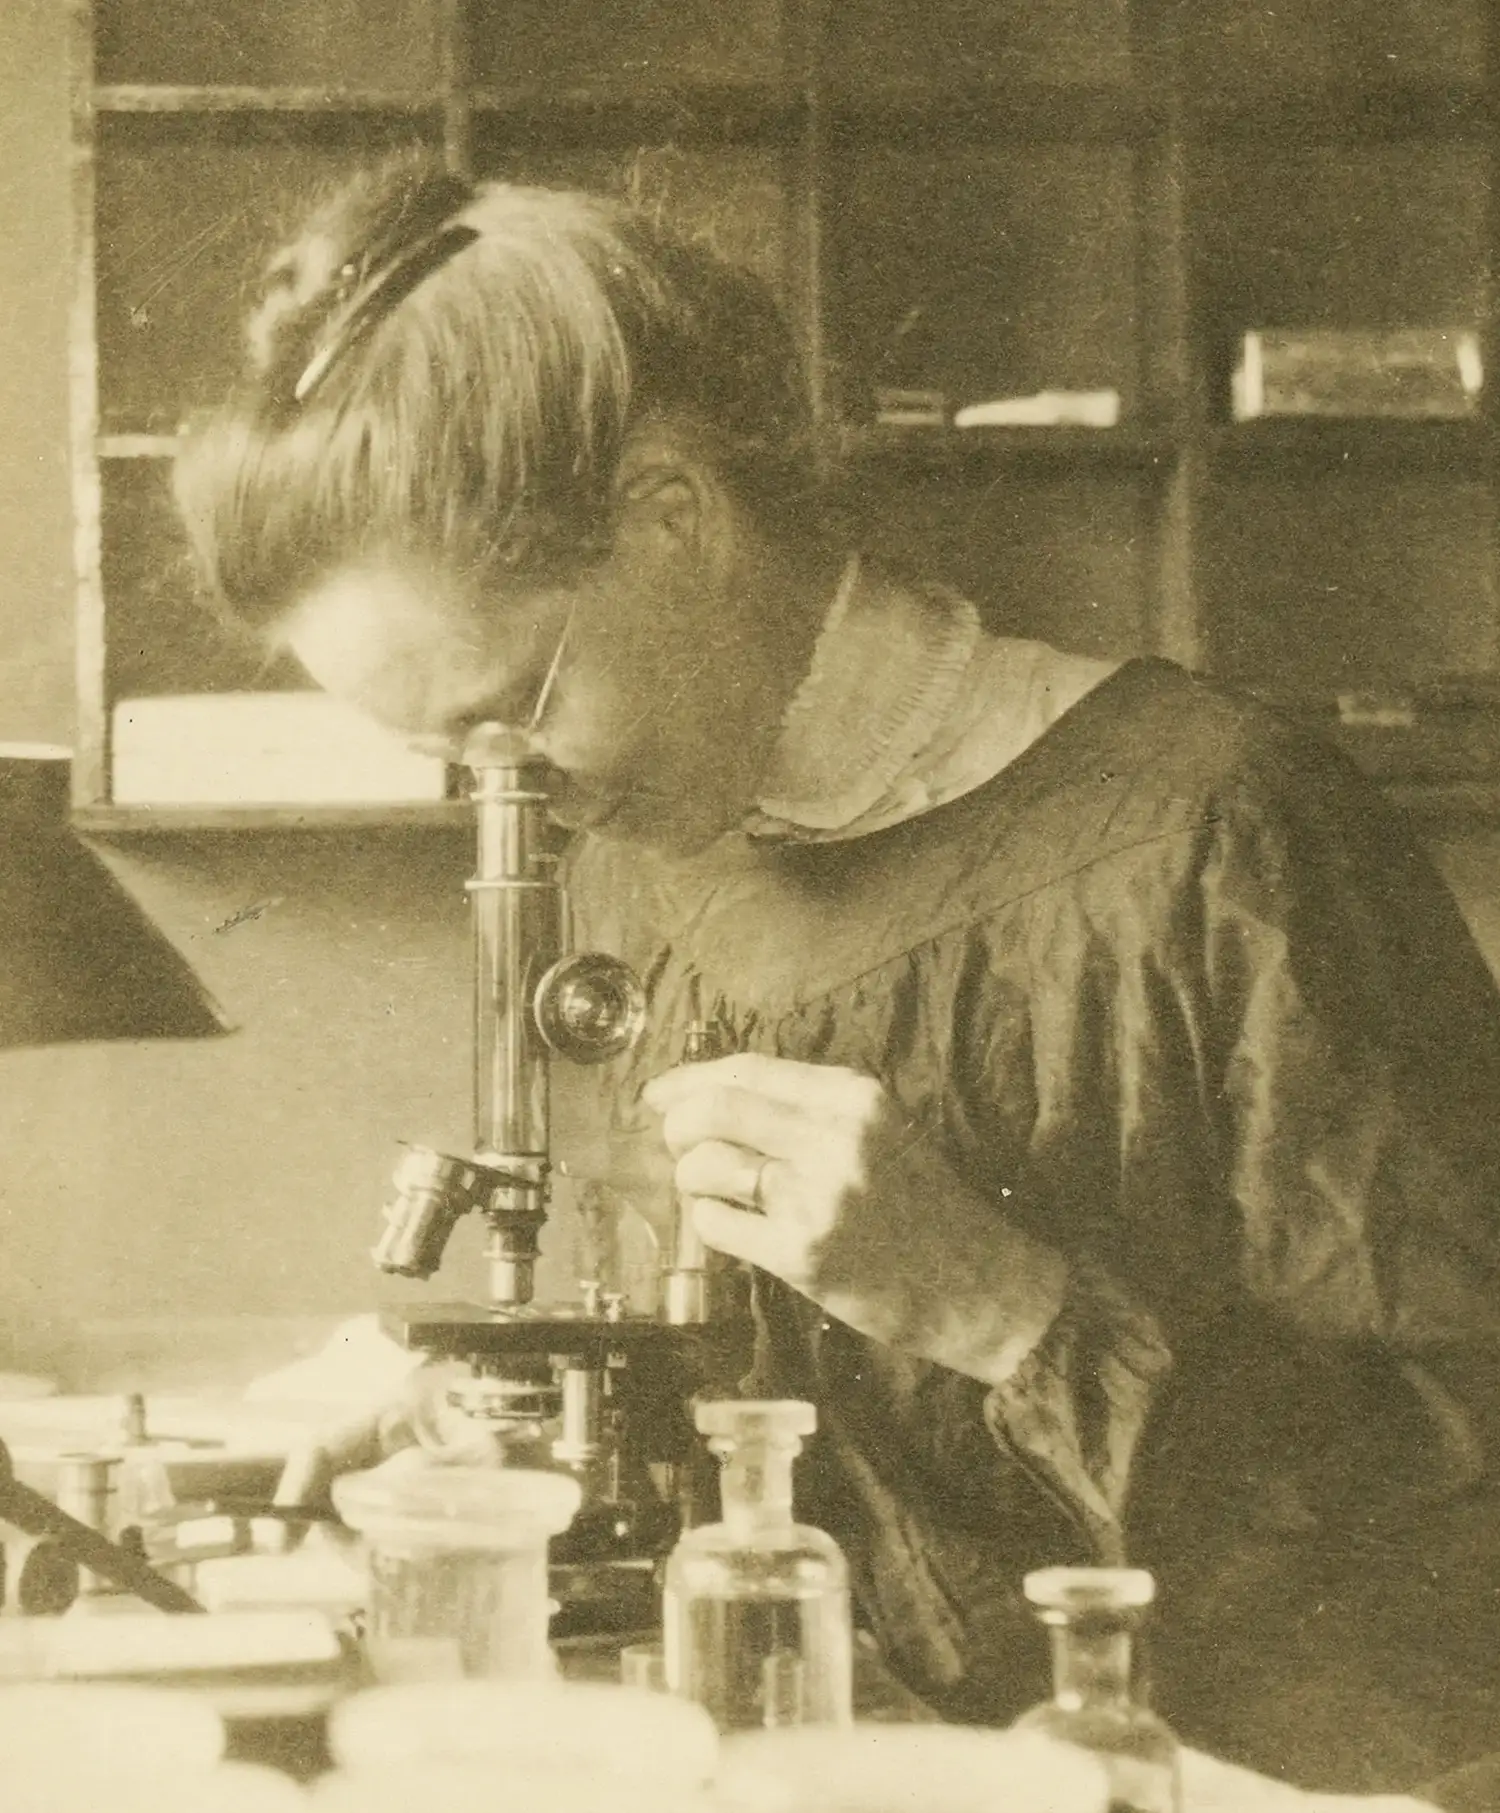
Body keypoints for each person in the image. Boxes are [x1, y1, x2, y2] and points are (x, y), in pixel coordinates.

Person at [173, 152, 1500, 1795]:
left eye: (513, 709)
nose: (512, 799)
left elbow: (1463, 1531)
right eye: (452, 759)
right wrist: (475, 1425)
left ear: (675, 518)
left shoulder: (1221, 831)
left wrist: (1004, 1309)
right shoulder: (647, 851)